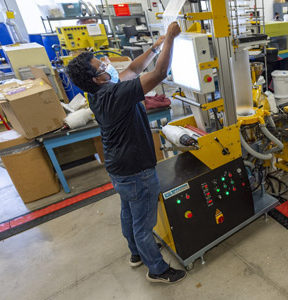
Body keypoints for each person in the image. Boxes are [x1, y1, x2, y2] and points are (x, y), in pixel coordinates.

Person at [66, 22, 186, 283]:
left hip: (118, 168)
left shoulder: (98, 92)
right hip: (136, 170)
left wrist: (156, 45)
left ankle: (135, 253)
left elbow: (133, 69)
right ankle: (158, 270)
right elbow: (160, 73)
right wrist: (171, 41)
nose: (108, 63)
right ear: (98, 78)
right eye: (102, 65)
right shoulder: (114, 94)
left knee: (129, 213)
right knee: (144, 224)